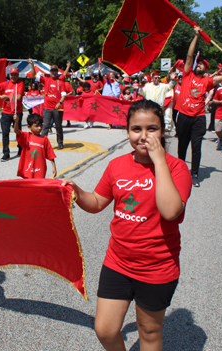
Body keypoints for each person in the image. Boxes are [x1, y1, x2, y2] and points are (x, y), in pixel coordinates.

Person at [63, 100, 192, 351]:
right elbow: (98, 201)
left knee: (149, 331)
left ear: (163, 131)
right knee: (105, 330)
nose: (144, 136)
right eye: (136, 129)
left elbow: (170, 211)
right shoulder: (117, 165)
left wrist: (159, 161)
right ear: (127, 131)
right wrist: (75, 191)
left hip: (157, 268)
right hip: (118, 263)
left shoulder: (177, 168)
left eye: (152, 129)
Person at [175, 26, 222, 187]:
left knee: (196, 147)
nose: (198, 64)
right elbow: (189, 55)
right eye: (197, 63)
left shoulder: (207, 81)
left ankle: (194, 174)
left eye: (201, 64)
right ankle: (179, 172)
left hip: (198, 118)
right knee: (182, 146)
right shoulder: (187, 74)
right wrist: (196, 36)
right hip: (184, 116)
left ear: (206, 69)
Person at [27, 59, 69, 150]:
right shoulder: (46, 79)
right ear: (50, 72)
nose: (54, 72)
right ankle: (42, 144)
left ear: (57, 72)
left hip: (57, 108)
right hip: (47, 108)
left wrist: (60, 103)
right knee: (45, 126)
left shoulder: (60, 82)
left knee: (58, 126)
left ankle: (60, 143)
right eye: (52, 71)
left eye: (55, 71)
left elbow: (64, 95)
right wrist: (32, 65)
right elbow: (34, 75)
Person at [13, 113, 56, 179]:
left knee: (38, 187)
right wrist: (16, 122)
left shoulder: (44, 139)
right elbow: (17, 131)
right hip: (28, 169)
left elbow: (50, 154)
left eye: (41, 125)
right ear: (29, 127)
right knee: (28, 187)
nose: (39, 128)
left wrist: (54, 167)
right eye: (36, 126)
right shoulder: (26, 136)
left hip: (39, 170)